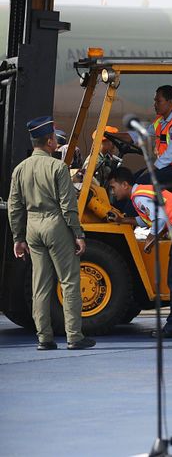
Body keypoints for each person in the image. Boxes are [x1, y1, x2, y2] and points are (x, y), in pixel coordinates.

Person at [7, 116, 95, 351]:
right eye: (55, 137)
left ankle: (44, 338)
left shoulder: (20, 169)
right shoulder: (58, 168)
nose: (56, 141)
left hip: (33, 228)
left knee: (40, 285)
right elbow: (68, 205)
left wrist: (18, 238)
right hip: (56, 225)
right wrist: (78, 233)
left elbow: (15, 206)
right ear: (49, 141)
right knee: (69, 281)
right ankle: (74, 336)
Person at [109, 167, 172, 338]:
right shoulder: (144, 192)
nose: (112, 192)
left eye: (113, 187)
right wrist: (123, 220)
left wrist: (150, 238)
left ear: (125, 185)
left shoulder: (139, 196)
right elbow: (146, 218)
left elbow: (160, 219)